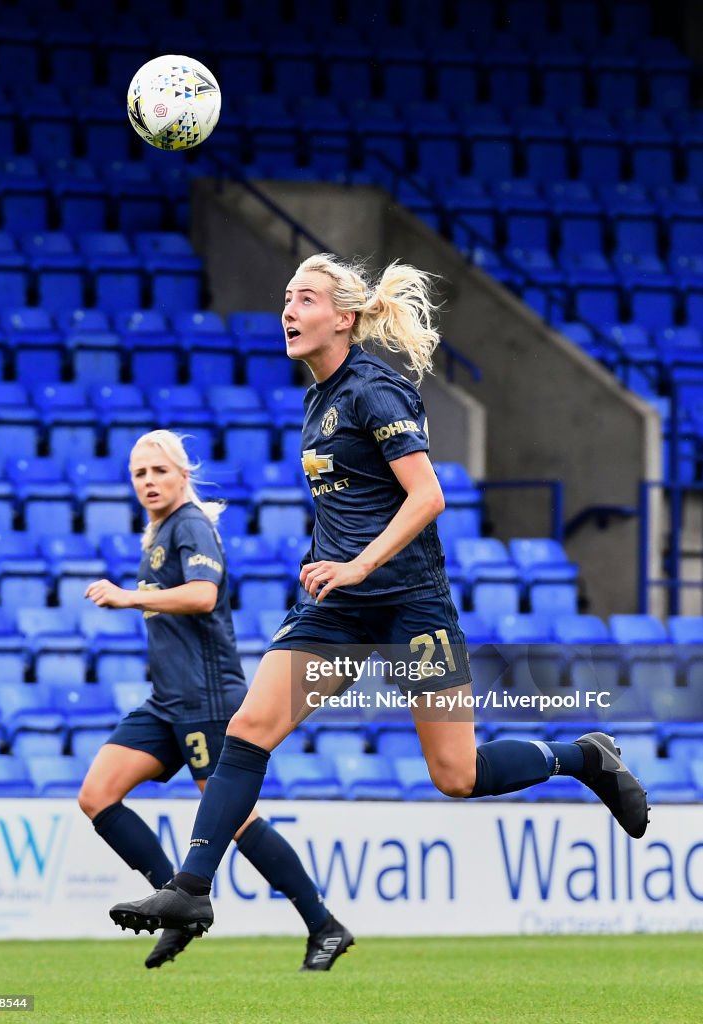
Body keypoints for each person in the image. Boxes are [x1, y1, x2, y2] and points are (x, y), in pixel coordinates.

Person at [108, 253, 649, 942]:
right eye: (286, 296)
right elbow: (350, 503)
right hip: (338, 608)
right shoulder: (317, 400)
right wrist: (323, 560)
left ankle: (584, 757)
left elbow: (428, 496)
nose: (288, 309)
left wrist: (358, 564)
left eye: (305, 298)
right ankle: (191, 889)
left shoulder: (374, 390)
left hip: (410, 605)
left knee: (456, 774)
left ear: (344, 318)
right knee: (248, 730)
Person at [79, 428, 353, 971]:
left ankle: (323, 925)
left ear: (183, 475)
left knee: (239, 820)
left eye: (160, 470)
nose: (149, 481)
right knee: (97, 794)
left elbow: (204, 595)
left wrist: (129, 597)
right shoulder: (160, 532)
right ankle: (175, 905)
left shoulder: (190, 524)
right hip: (167, 701)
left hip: (207, 698)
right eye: (139, 473)